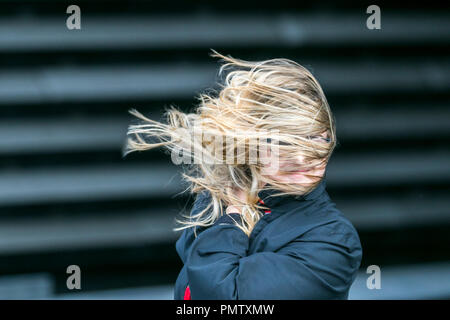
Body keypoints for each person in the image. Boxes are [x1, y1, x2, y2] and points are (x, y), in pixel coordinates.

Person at [125, 51, 362, 299]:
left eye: (316, 140)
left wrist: (233, 220)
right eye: (286, 144)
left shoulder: (333, 241)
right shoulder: (220, 198)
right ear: (253, 145)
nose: (302, 158)